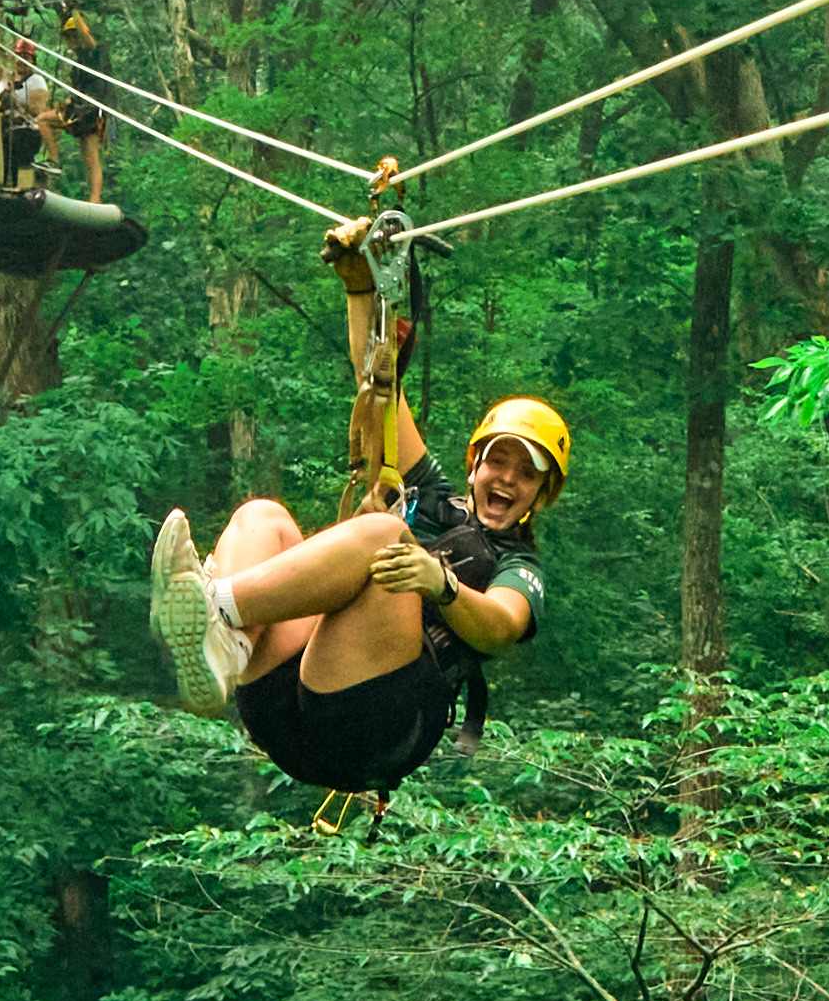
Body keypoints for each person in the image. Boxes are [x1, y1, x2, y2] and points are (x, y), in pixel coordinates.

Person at [142, 231, 563, 799]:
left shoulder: (519, 564)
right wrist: (361, 287)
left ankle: (216, 606)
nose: (507, 479)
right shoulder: (435, 497)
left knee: (387, 535)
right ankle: (224, 645)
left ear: (541, 494)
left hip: (374, 723)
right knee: (262, 515)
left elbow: (501, 625)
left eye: (526, 473)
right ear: (475, 465)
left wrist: (440, 584)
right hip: (281, 709)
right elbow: (380, 391)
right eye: (499, 462)